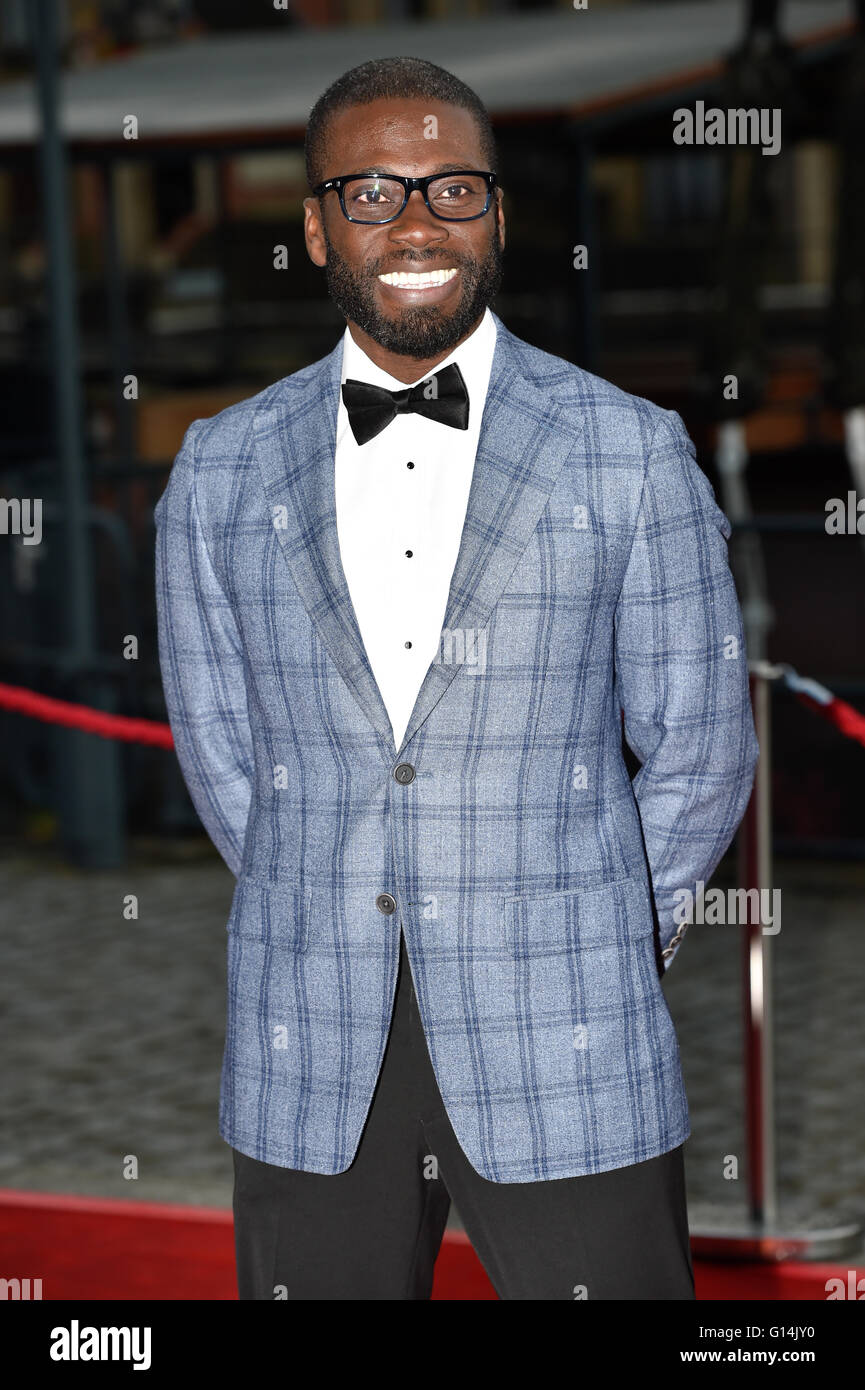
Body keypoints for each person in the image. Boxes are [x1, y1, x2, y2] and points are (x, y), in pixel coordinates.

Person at [155, 56, 759, 1301]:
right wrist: (329, 879)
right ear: (316, 224)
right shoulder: (219, 468)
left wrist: (590, 929)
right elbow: (220, 743)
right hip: (311, 1032)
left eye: (452, 190)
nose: (418, 224)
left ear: (499, 213)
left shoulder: (627, 449)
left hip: (569, 1034)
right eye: (372, 192)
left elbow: (699, 742)